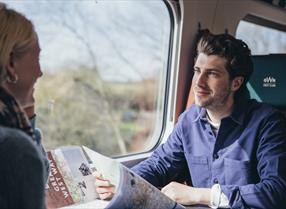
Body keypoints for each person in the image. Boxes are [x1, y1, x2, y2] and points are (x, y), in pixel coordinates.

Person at [95, 31, 286, 208]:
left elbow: (277, 190)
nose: (199, 82)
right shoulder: (189, 120)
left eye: (212, 73)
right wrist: (124, 183)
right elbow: (159, 164)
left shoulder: (269, 124)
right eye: (197, 70)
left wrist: (201, 195)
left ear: (236, 83)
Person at [0, 3, 49, 208]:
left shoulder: (10, 122)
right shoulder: (13, 148)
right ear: (11, 62)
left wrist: (26, 113)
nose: (40, 72)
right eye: (37, 58)